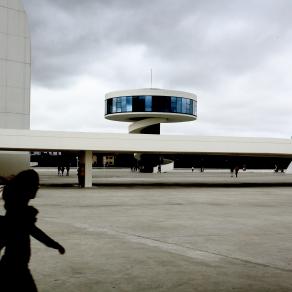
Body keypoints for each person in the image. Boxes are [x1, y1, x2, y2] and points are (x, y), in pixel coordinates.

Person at [0, 169, 65, 292]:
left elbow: (34, 231)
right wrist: (54, 245)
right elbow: (34, 232)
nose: (37, 188)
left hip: (15, 267)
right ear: (26, 189)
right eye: (36, 185)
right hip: (14, 269)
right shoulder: (18, 216)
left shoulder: (20, 214)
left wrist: (54, 244)